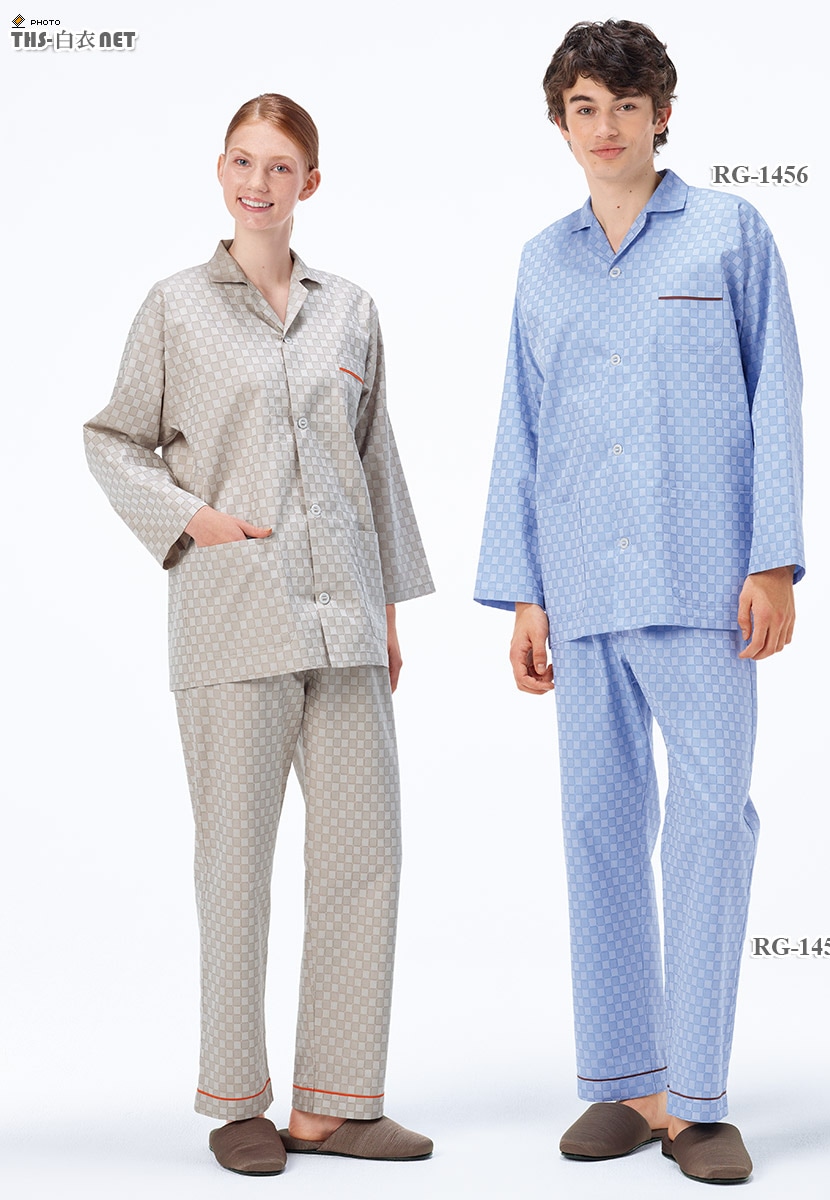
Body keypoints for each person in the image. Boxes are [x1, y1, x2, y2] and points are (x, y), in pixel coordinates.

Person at [475, 21, 803, 1185]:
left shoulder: (731, 232)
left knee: (710, 826)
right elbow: (522, 430)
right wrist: (523, 593)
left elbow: (776, 398)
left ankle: (698, 1101)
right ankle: (626, 1083)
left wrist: (773, 561)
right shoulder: (542, 261)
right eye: (583, 107)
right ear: (560, 121)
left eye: (624, 104)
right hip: (581, 586)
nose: (604, 126)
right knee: (598, 827)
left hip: (707, 581)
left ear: (661, 112)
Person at [85, 93, 434, 1177]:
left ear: (309, 184)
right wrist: (193, 520)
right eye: (243, 162)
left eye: (280, 167)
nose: (258, 183)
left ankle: (336, 1104)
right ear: (220, 170)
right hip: (233, 617)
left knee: (366, 856)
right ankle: (237, 1099)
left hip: (346, 622)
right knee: (235, 864)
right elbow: (111, 440)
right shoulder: (175, 308)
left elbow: (375, 462)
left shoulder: (351, 310)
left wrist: (386, 608)